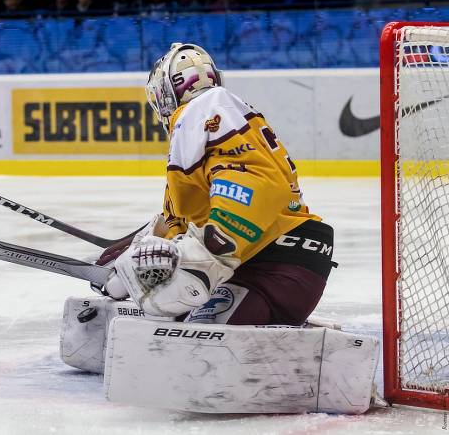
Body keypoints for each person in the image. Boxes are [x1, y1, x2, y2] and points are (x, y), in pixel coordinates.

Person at [95, 43, 335, 324]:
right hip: (269, 264)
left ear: (164, 95)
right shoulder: (200, 126)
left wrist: (210, 251)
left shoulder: (207, 108)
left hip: (274, 265)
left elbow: (252, 178)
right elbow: (187, 220)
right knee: (168, 323)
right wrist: (139, 254)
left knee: (188, 349)